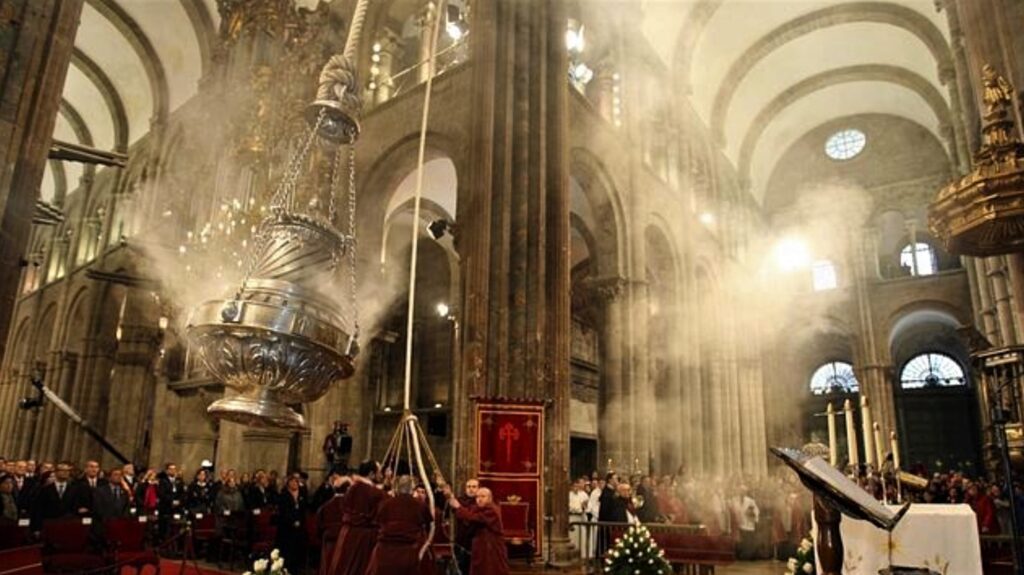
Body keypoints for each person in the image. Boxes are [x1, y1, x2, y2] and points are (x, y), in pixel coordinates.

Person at [327, 459, 385, 575]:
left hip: (347, 534)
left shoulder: (352, 488)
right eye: (379, 472)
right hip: (364, 537)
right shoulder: (375, 493)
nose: (381, 475)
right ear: (371, 474)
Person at [366, 475, 433, 575]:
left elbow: (378, 523)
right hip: (409, 553)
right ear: (412, 490)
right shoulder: (420, 505)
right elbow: (429, 524)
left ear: (396, 488)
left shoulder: (385, 504)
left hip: (386, 553)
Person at [443, 484, 509, 575]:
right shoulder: (477, 508)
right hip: (481, 546)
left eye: (483, 496)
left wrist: (458, 507)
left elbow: (472, 517)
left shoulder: (492, 510)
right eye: (477, 496)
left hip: (491, 547)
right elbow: (466, 512)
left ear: (490, 498)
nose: (479, 499)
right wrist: (450, 496)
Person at [317, 473, 351, 575]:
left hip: (328, 543)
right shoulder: (350, 508)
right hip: (344, 543)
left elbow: (319, 526)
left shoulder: (324, 507)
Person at [276, 475, 309, 571]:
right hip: (286, 527)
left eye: (296, 482)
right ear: (288, 483)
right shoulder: (284, 494)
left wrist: (300, 521)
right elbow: (284, 511)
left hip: (300, 526)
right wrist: (292, 521)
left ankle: (297, 567)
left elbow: (303, 509)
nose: (295, 484)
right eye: (293, 482)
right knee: (287, 549)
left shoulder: (302, 494)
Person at [452, 478, 480, 575]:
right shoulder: (459, 500)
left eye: (474, 487)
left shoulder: (480, 502)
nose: (471, 489)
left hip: (476, 539)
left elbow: (472, 517)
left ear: (478, 488)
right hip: (461, 538)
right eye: (468, 487)